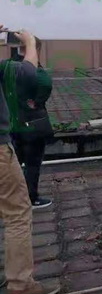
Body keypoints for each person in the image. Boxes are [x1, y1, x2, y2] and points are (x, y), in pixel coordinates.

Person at [0, 25, 60, 294]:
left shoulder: (6, 69)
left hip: (14, 129)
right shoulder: (33, 73)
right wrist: (30, 44)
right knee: (18, 208)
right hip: (28, 128)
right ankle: (21, 284)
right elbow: (34, 78)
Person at [10, 37, 54, 209]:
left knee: (13, 164)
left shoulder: (8, 68)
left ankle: (10, 197)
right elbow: (45, 86)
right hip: (33, 125)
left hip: (11, 125)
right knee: (32, 164)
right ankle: (30, 198)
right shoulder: (38, 74)